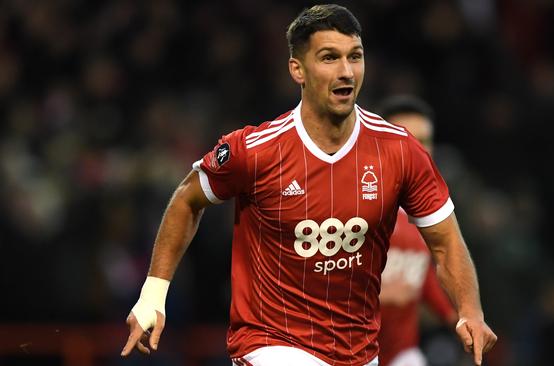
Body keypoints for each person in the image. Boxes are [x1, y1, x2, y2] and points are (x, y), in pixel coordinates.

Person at [121, 4, 497, 366]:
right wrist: (153, 295)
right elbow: (187, 200)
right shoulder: (256, 151)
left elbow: (446, 241)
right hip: (270, 342)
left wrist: (470, 311)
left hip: (360, 351)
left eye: (355, 56)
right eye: (330, 57)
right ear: (297, 70)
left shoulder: (400, 152)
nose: (347, 71)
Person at [377, 96, 458, 366]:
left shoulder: (432, 212)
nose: (417, 150)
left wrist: (453, 316)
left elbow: (422, 274)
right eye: (406, 139)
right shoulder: (347, 204)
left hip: (402, 352)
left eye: (424, 141)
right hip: (345, 350)